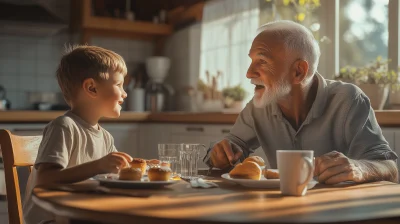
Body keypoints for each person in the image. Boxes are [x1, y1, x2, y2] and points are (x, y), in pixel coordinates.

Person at [204, 20, 398, 184]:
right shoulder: (257, 107)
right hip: (282, 210)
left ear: (299, 71)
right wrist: (220, 154)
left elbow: (389, 167)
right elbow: (230, 147)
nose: (248, 73)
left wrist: (360, 168)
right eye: (251, 60)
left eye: (262, 61)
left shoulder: (348, 100)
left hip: (340, 213)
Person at [23, 45, 133, 224]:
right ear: (91, 88)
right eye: (119, 85)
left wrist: (139, 166)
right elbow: (45, 179)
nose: (125, 93)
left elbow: (114, 171)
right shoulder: (64, 127)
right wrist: (98, 165)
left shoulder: (105, 137)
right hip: (53, 219)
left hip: (81, 215)